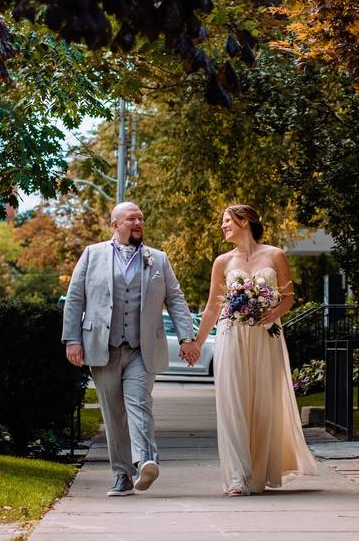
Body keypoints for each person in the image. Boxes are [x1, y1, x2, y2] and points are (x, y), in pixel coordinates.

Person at [62, 201, 199, 497]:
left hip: (142, 347)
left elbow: (174, 297)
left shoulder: (158, 259)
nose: (138, 223)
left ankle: (146, 461)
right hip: (103, 346)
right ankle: (122, 475)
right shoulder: (92, 254)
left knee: (138, 403)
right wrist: (72, 339)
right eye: (131, 219)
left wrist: (187, 337)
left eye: (141, 218)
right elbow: (75, 299)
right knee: (113, 413)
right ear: (115, 225)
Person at [193, 204, 318, 496]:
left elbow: (288, 298)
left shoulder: (275, 255)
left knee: (264, 403)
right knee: (233, 404)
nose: (223, 226)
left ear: (245, 221)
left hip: (266, 337)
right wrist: (198, 342)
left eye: (227, 221)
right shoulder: (222, 262)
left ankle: (258, 474)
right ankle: (238, 478)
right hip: (230, 335)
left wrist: (273, 313)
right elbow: (213, 306)